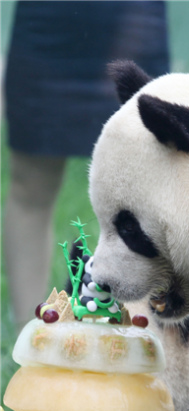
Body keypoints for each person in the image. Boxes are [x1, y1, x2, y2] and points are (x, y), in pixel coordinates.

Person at [3, 1, 169, 330]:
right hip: (46, 21)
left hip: (134, 17)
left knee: (151, 188)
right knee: (30, 184)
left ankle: (147, 331)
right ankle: (31, 331)